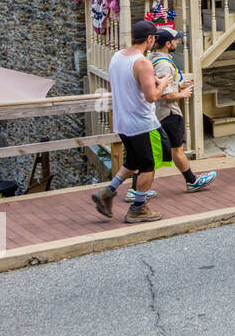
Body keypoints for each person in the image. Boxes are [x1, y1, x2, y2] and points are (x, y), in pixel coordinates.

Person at [92, 20, 170, 223]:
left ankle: (107, 192)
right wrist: (162, 84)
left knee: (133, 161)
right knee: (148, 166)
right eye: (154, 38)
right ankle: (138, 208)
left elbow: (127, 84)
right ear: (150, 39)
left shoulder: (117, 56)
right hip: (141, 122)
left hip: (122, 121)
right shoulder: (143, 62)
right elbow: (152, 96)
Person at [140, 29, 216, 199]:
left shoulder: (153, 59)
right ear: (168, 44)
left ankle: (138, 190)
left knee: (158, 152)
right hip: (168, 113)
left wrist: (178, 84)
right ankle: (191, 181)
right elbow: (164, 94)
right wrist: (182, 94)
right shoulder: (164, 64)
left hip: (160, 113)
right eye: (175, 40)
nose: (177, 43)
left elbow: (161, 85)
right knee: (175, 149)